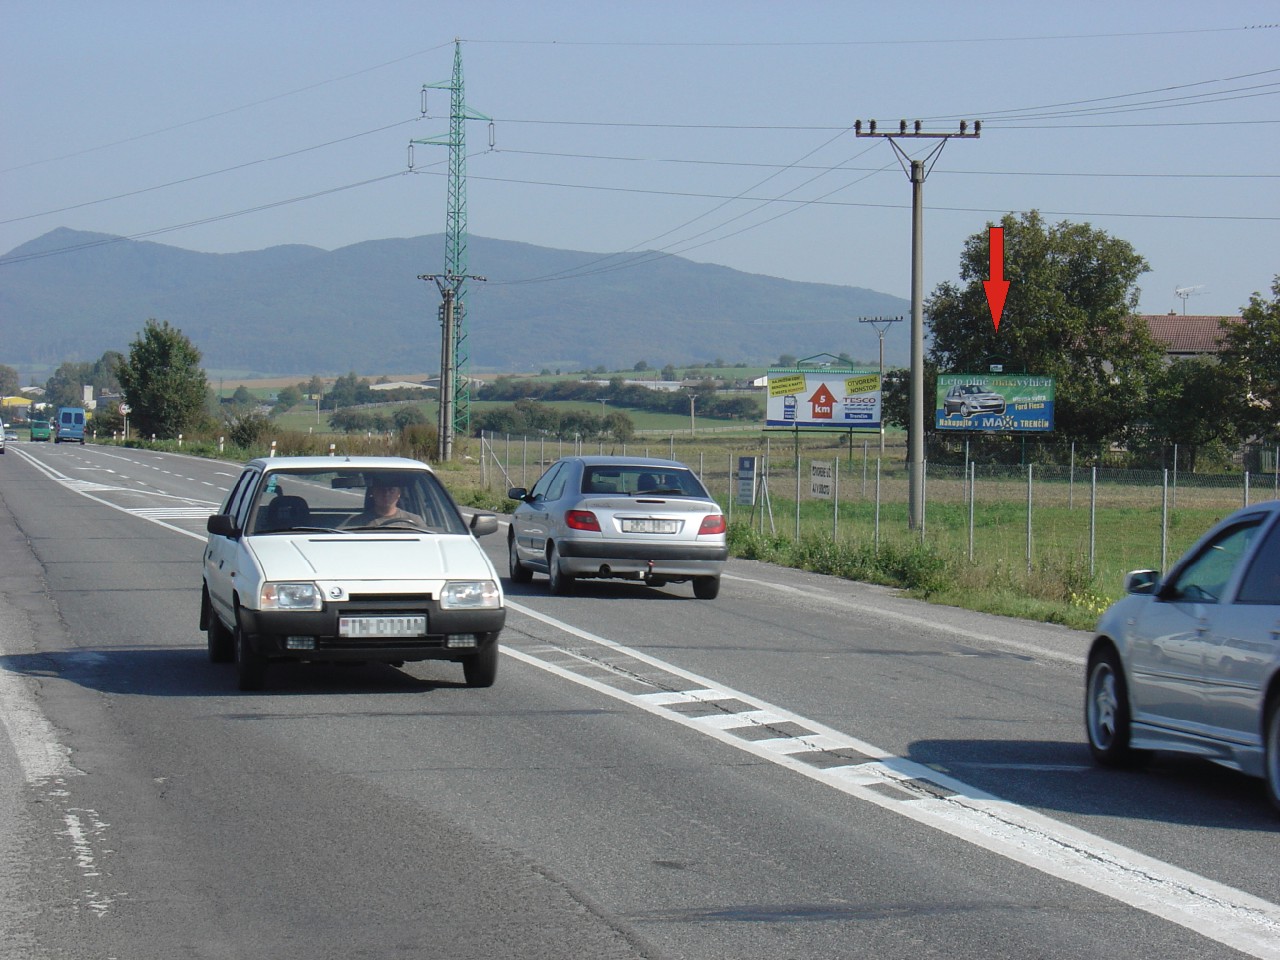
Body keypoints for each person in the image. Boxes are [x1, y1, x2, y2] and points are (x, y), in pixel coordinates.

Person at [342, 476, 427, 529]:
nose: (386, 493)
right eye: (381, 489)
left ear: (399, 493)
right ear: (373, 493)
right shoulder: (357, 523)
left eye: (391, 490)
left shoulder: (415, 522)